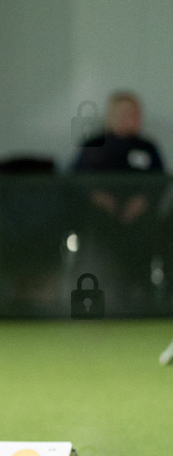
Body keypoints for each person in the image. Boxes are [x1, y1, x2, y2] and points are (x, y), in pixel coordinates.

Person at [71, 91, 166, 303]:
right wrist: (99, 197)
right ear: (111, 115)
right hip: (102, 217)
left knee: (150, 232)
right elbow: (78, 179)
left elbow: (159, 182)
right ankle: (98, 293)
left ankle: (143, 293)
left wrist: (143, 201)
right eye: (123, 113)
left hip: (139, 218)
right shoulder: (94, 145)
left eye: (134, 113)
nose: (130, 118)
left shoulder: (147, 148)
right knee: (98, 232)